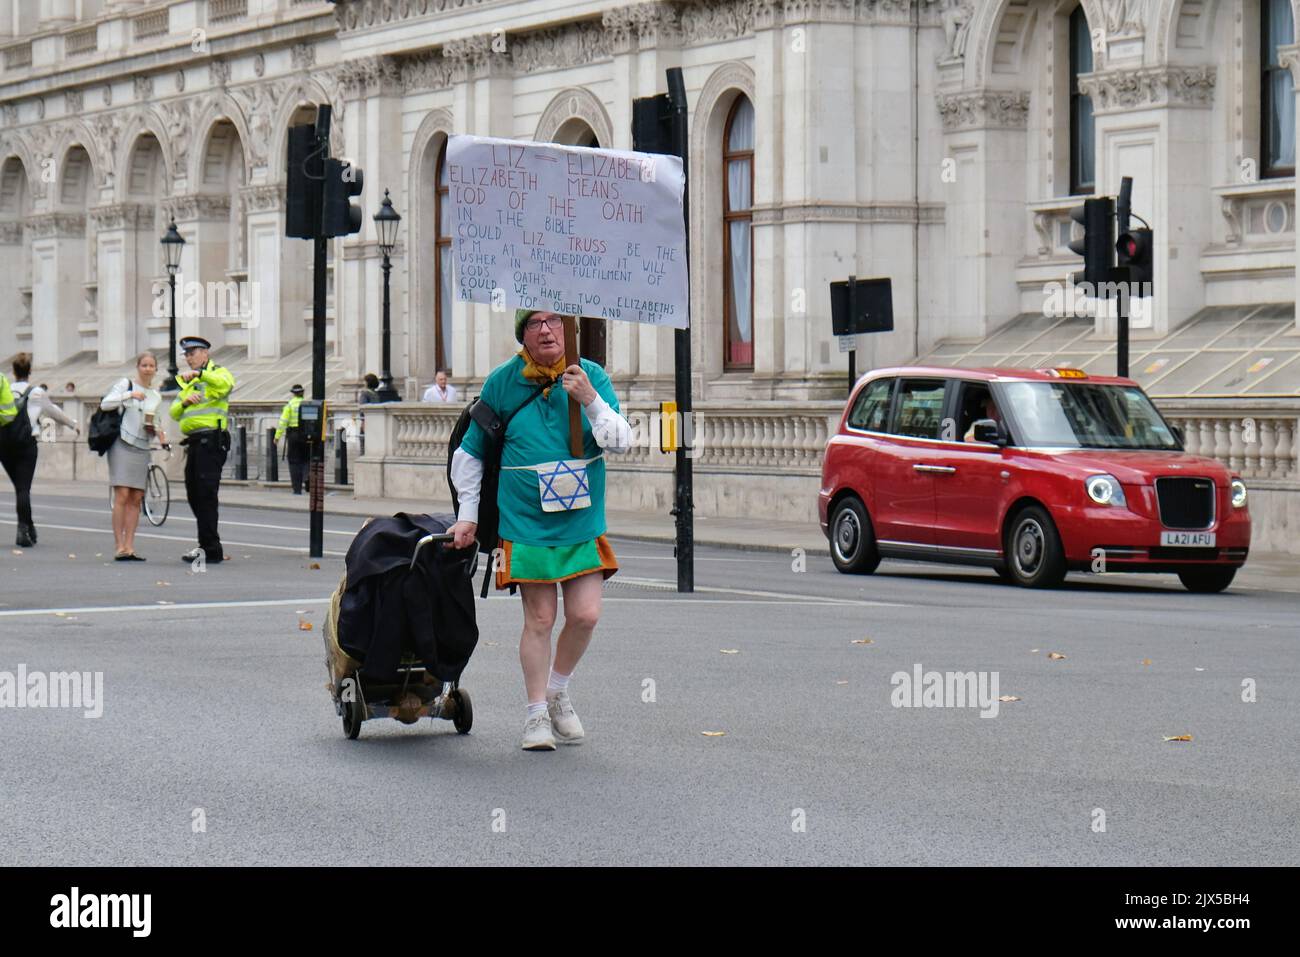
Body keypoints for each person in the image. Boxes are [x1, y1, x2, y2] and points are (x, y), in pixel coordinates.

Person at [448, 309, 632, 751]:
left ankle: (557, 691)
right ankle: (535, 716)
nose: (546, 330)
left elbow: (621, 441)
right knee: (541, 618)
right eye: (535, 323)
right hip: (525, 520)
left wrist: (590, 399)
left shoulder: (591, 376)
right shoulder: (503, 381)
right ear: (523, 334)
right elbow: (470, 453)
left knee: (585, 615)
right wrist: (469, 514)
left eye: (555, 321)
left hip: (580, 519)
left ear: (569, 329)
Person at [0, 353, 80, 547]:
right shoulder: (36, 393)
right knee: (23, 488)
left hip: (4, 444)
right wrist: (72, 424)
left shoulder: (5, 388)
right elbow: (54, 412)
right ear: (30, 371)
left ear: (13, 371)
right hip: (26, 444)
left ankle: (28, 525)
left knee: (19, 488)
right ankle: (23, 529)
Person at [169, 336, 235, 565]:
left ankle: (210, 548)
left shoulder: (218, 372)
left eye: (192, 353)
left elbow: (226, 384)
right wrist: (186, 402)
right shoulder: (187, 383)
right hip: (195, 443)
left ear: (205, 353)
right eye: (186, 355)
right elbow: (174, 412)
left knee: (206, 495)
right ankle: (207, 543)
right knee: (194, 494)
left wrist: (201, 375)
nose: (188, 358)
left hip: (211, 441)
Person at [101, 352, 167, 561]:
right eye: (144, 365)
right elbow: (105, 404)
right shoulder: (126, 384)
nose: (148, 369)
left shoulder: (156, 395)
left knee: (136, 498)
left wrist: (158, 433)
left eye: (151, 366)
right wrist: (128, 396)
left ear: (156, 370)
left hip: (142, 446)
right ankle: (119, 545)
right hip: (122, 443)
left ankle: (130, 545)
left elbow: (155, 420)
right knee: (122, 493)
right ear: (138, 367)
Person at [275, 384, 308, 495]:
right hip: (305, 435)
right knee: (306, 459)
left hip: (293, 435)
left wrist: (277, 437)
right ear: (302, 393)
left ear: (293, 393)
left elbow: (283, 422)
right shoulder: (307, 404)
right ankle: (306, 476)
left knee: (294, 462)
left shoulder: (289, 405)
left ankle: (297, 489)